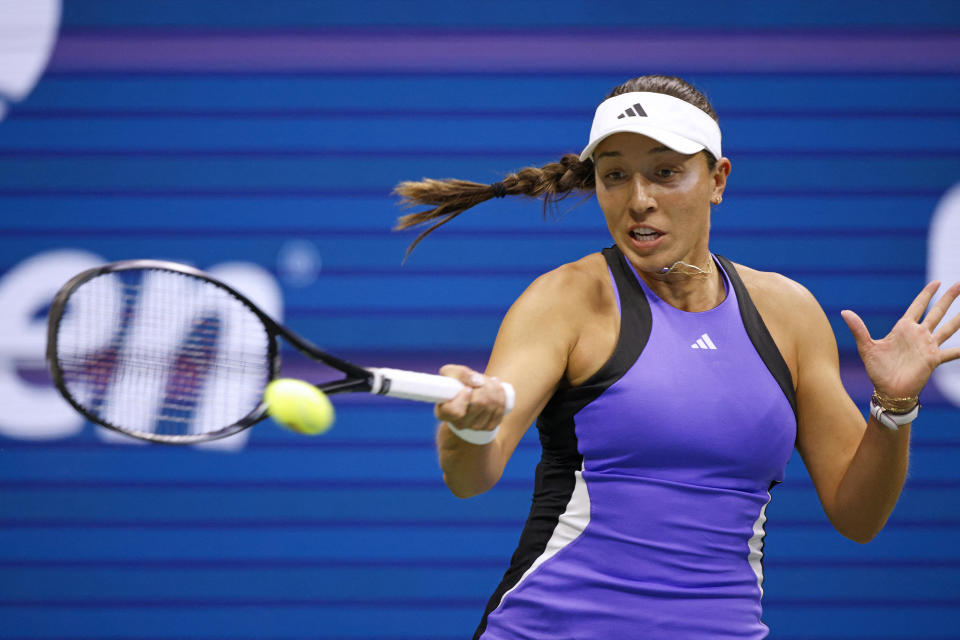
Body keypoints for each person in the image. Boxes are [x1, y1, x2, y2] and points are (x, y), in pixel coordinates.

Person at [393, 74, 960, 639]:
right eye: (616, 176)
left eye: (666, 172)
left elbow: (857, 516)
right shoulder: (565, 300)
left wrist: (896, 405)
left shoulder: (789, 314)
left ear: (717, 179)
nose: (639, 200)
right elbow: (472, 474)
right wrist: (467, 429)